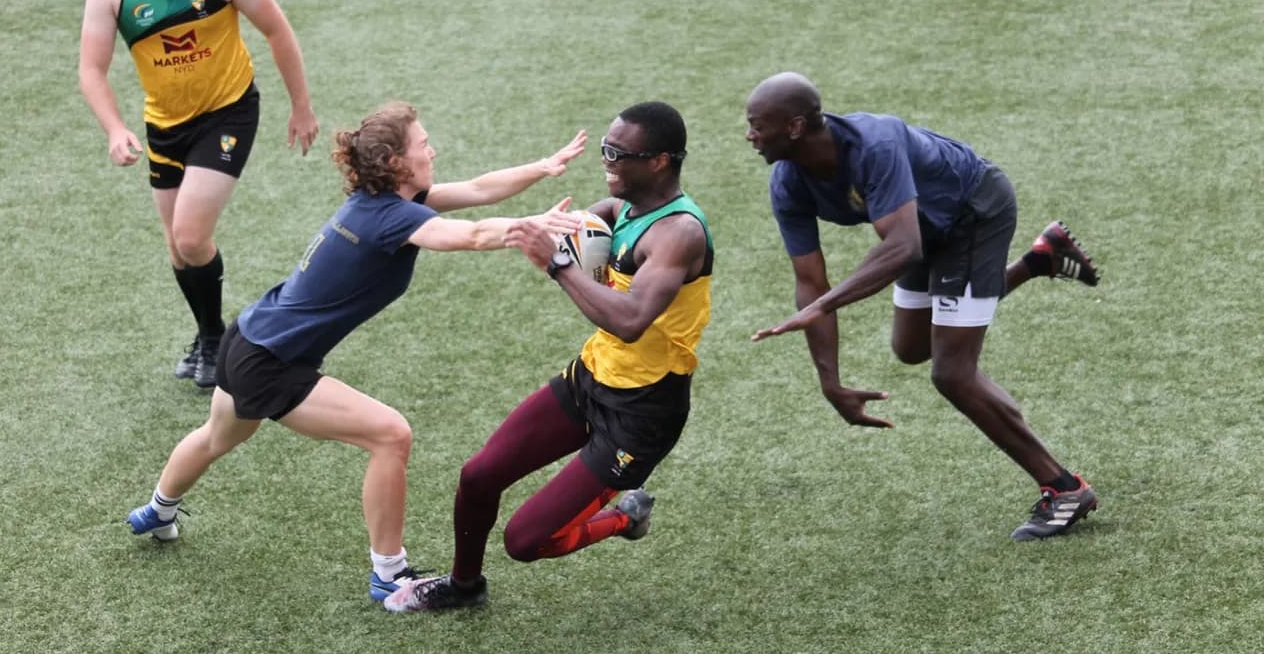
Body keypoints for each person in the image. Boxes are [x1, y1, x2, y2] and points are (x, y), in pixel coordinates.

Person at [124, 101, 588, 603]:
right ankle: (389, 574)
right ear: (395, 163)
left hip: (250, 335)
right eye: (423, 144)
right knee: (391, 435)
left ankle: (158, 510)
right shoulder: (392, 218)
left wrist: (542, 168)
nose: (432, 150)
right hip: (272, 362)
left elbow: (478, 189)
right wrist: (524, 230)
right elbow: (471, 235)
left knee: (217, 436)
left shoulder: (386, 203)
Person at [384, 101, 714, 613]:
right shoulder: (622, 207)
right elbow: (580, 227)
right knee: (478, 477)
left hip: (642, 413)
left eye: (617, 154)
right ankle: (464, 586)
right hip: (591, 379)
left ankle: (626, 516)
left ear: (659, 161)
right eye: (605, 148)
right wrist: (545, 229)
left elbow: (629, 321)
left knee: (526, 541)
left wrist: (557, 264)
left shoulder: (680, 234)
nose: (606, 162)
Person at [742, 71, 1101, 542]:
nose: (749, 136)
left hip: (973, 212)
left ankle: (1064, 487)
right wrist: (830, 382)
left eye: (756, 125)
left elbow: (902, 246)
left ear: (793, 127)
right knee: (911, 348)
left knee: (952, 372)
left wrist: (824, 304)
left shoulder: (876, 142)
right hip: (920, 230)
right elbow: (811, 283)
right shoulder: (788, 181)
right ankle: (1039, 260)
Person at [78, 0, 320, 389]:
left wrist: (301, 106)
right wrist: (115, 128)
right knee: (176, 246)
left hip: (228, 114)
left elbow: (277, 30)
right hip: (165, 124)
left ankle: (222, 340)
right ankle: (209, 336)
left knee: (191, 235)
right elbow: (91, 70)